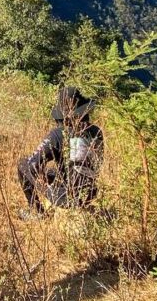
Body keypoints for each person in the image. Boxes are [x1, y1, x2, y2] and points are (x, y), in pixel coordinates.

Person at [17, 86, 104, 217]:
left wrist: (43, 180)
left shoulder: (58, 134)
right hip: (90, 194)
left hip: (66, 197)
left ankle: (36, 212)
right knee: (56, 172)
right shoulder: (97, 131)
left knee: (23, 164)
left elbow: (33, 165)